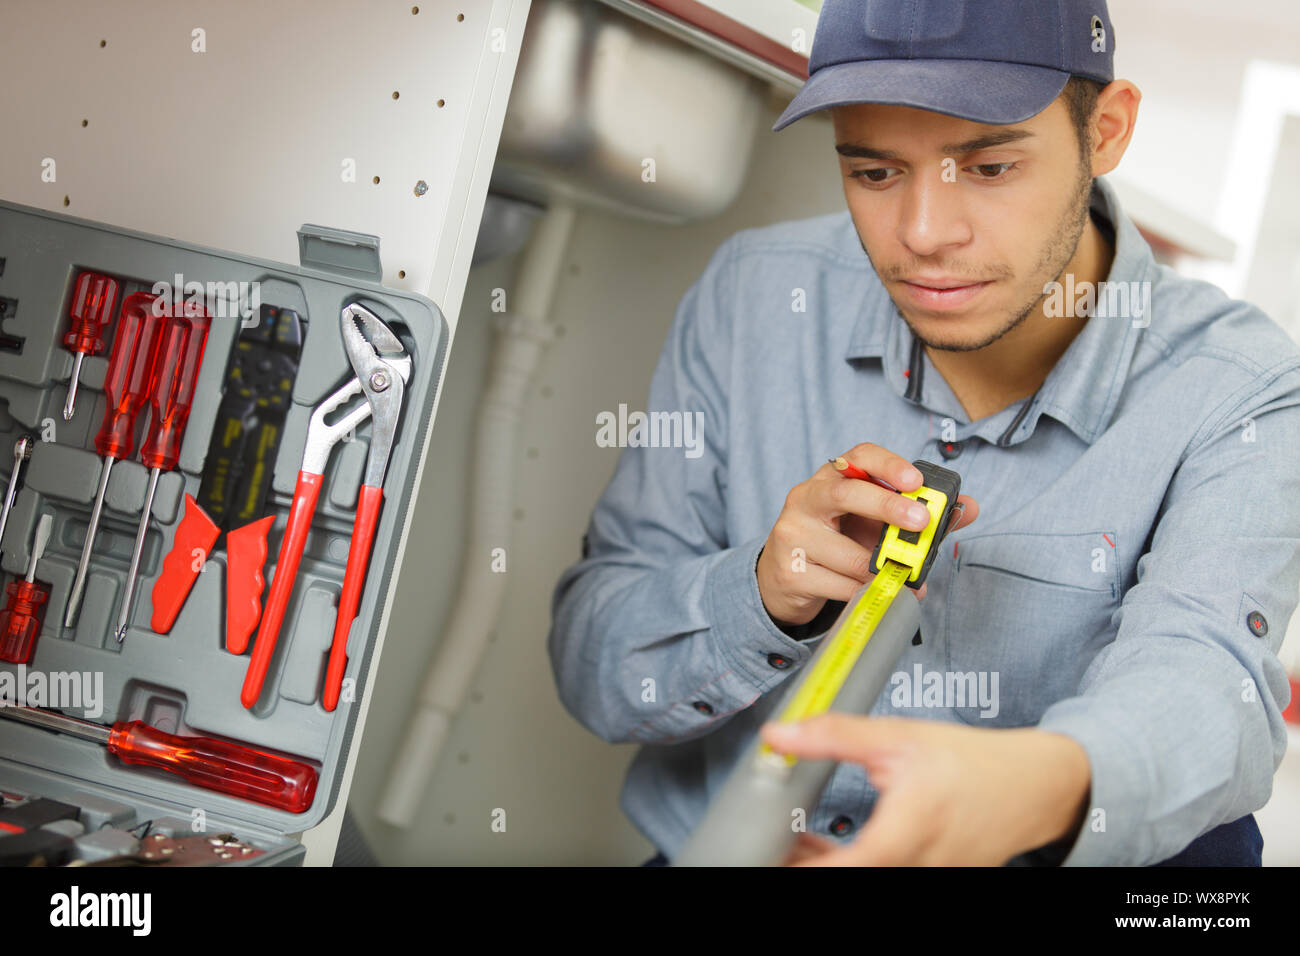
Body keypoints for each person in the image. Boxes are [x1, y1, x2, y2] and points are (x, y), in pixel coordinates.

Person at [547, 0, 1300, 865]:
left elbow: (1207, 688)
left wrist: (1033, 789)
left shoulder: (1242, 386)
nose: (923, 235)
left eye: (987, 167)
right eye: (874, 173)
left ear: (1108, 131)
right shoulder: (754, 294)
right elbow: (593, 667)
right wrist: (755, 595)